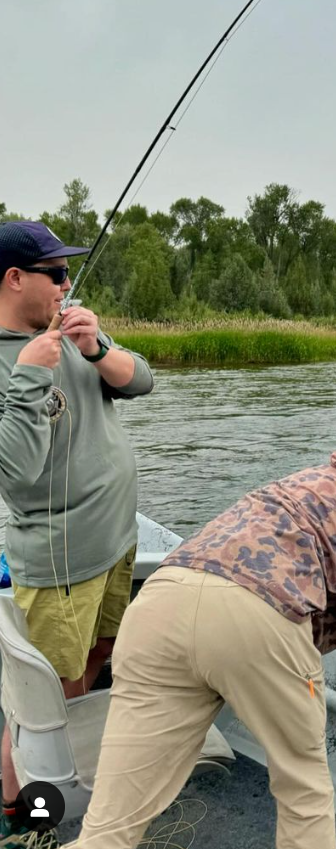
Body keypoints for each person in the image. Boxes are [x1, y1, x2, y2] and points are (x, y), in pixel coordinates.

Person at [68, 404, 336, 849]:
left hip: (161, 601)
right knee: (304, 794)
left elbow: (325, 560)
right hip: (256, 623)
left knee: (110, 822)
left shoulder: (323, 475)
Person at [0, 221, 154, 843]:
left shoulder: (69, 330)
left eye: (68, 272)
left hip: (116, 542)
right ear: (14, 279)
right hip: (60, 561)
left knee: (99, 655)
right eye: (56, 274)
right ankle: (27, 805)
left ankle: (69, 772)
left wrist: (97, 350)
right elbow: (15, 469)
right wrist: (34, 376)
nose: (67, 284)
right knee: (44, 698)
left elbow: (141, 380)